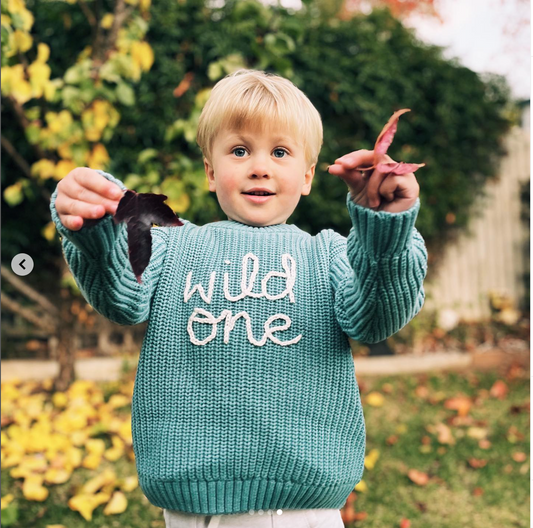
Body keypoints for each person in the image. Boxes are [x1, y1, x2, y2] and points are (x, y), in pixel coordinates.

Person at [50, 69, 427, 528]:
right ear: (211, 171)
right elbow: (120, 296)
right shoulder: (171, 246)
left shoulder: (328, 254)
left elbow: (375, 318)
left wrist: (384, 232)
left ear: (308, 175)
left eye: (281, 152)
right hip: (188, 503)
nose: (259, 166)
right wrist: (96, 224)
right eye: (240, 150)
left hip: (300, 509)